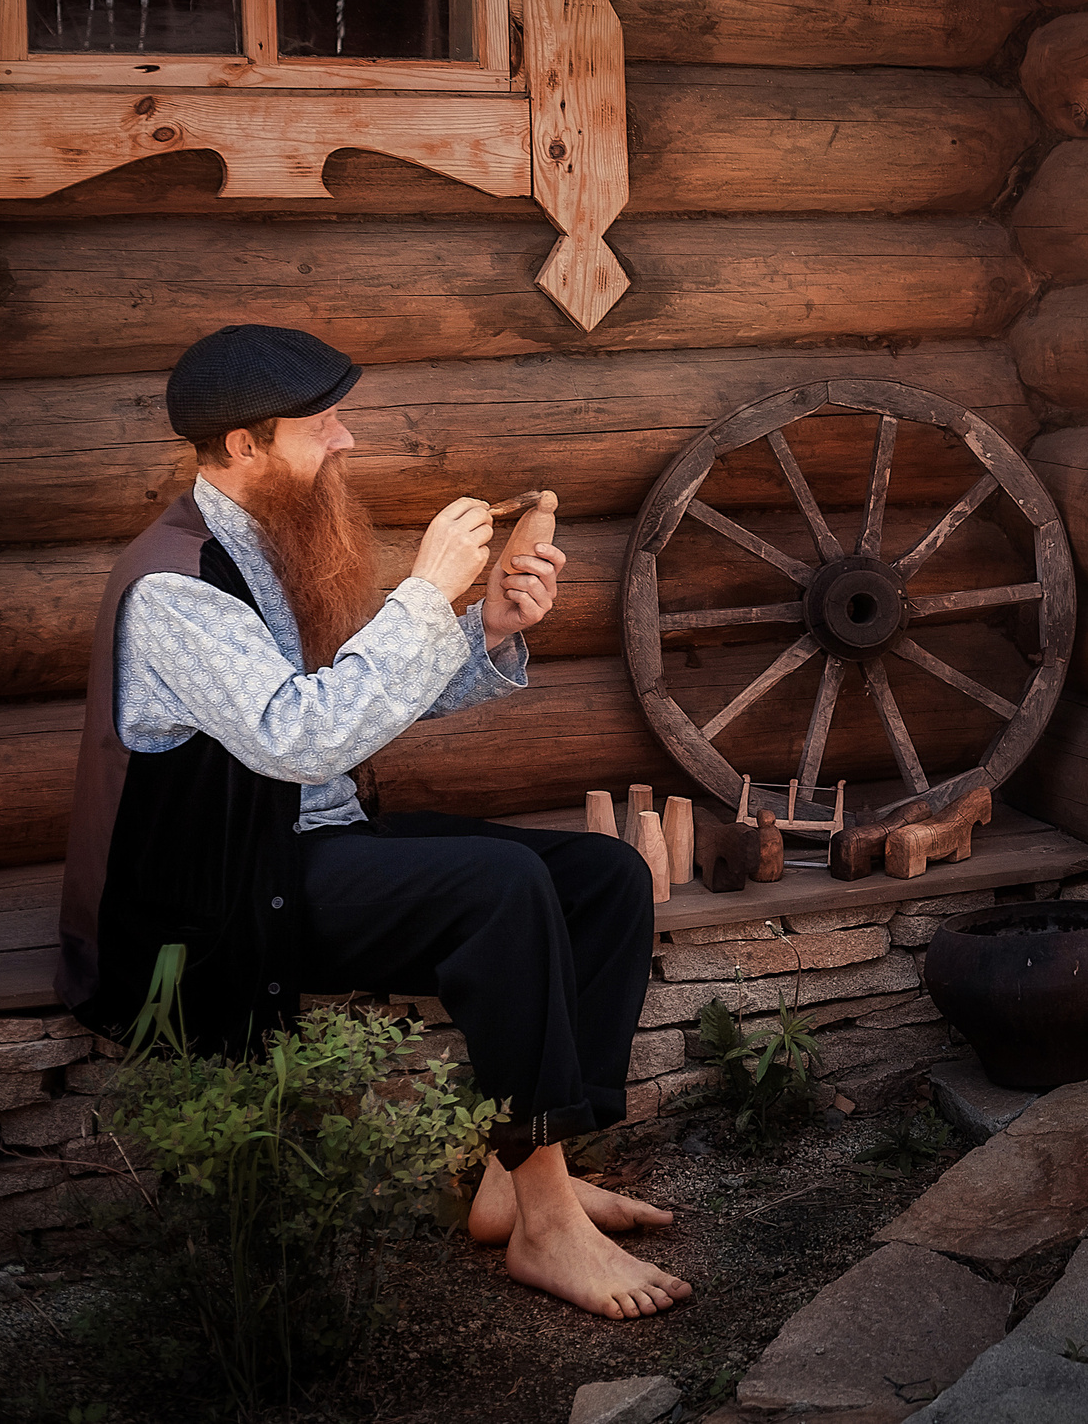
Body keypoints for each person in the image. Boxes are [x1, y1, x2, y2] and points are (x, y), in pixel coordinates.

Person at [57, 323, 692, 1321]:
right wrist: (424, 593)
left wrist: (481, 629)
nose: (345, 441)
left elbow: (359, 699)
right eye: (321, 424)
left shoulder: (271, 539)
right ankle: (545, 1223)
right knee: (502, 890)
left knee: (602, 881)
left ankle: (521, 1175)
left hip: (306, 848)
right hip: (220, 895)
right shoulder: (176, 584)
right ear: (241, 445)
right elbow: (303, 739)